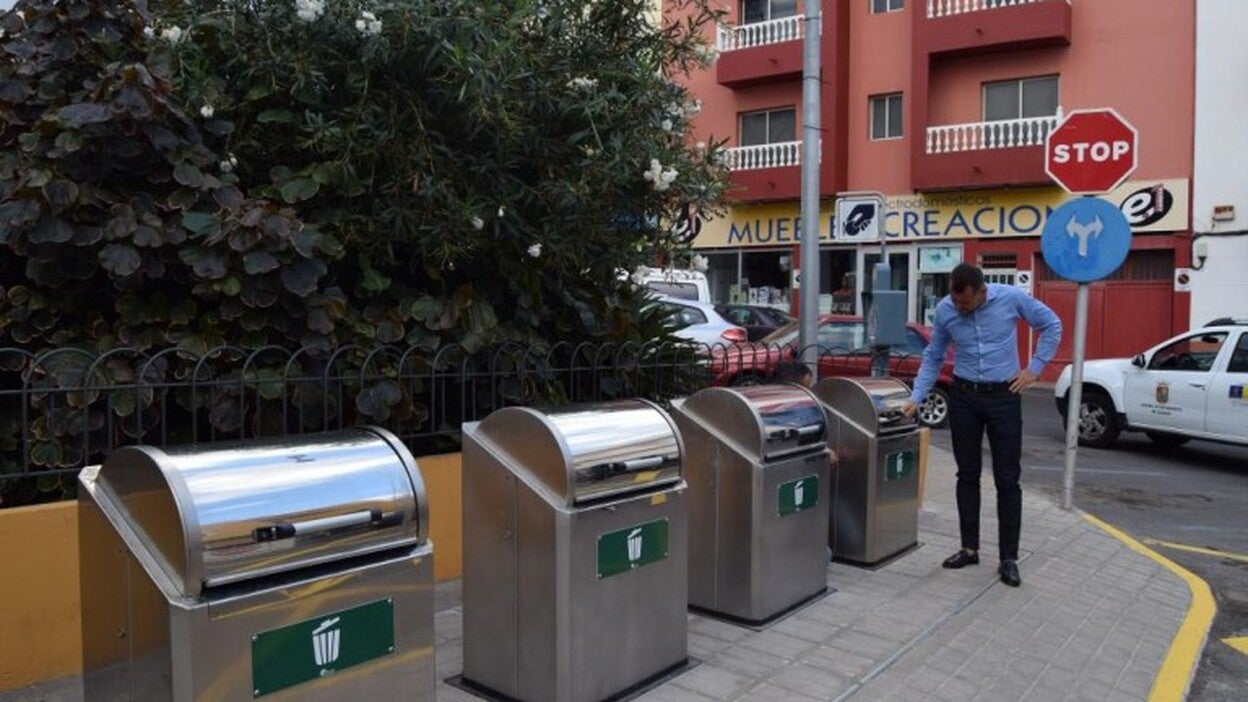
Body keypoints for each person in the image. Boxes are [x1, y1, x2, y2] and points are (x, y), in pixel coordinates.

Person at [901, 263, 1062, 587]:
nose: (960, 308)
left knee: (1007, 479)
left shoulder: (1011, 298)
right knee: (967, 474)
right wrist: (916, 396)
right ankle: (969, 548)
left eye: (966, 303)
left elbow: (1051, 324)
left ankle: (1008, 558)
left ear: (982, 292)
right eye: (955, 301)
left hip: (1004, 396)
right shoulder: (945, 310)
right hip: (964, 397)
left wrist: (1034, 369)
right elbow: (933, 355)